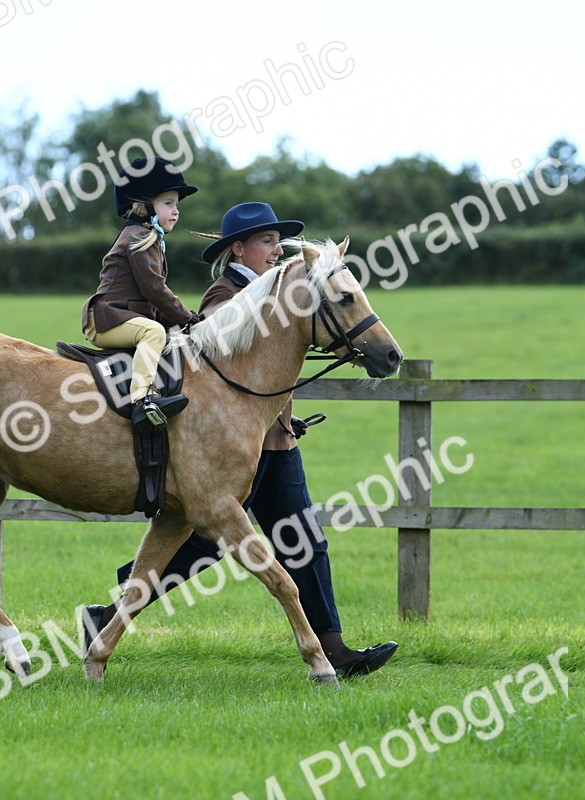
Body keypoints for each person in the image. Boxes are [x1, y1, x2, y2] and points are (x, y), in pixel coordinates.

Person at [83, 202, 398, 677]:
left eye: (277, 242)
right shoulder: (224, 295)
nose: (275, 251)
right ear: (239, 249)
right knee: (202, 545)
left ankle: (333, 649)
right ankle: (110, 614)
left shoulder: (288, 291)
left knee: (304, 541)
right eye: (266, 242)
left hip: (276, 444)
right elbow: (216, 362)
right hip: (228, 447)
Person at [81, 156, 202, 428]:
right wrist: (187, 318)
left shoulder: (149, 237)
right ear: (144, 206)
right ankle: (143, 399)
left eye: (177, 205)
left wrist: (182, 324)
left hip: (122, 318)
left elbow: (153, 301)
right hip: (107, 319)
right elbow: (154, 290)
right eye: (168, 203)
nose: (176, 211)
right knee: (154, 332)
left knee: (167, 334)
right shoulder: (138, 238)